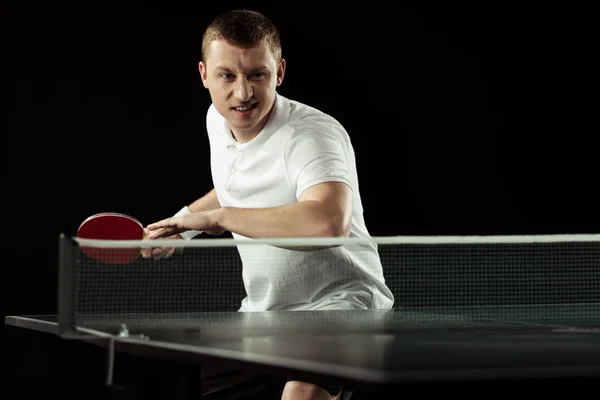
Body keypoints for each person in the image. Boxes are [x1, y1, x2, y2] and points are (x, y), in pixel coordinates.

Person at [142, 9, 394, 400]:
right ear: (204, 75)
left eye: (257, 74)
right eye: (227, 75)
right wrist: (184, 223)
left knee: (302, 392)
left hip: (341, 307)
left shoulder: (310, 135)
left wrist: (220, 217)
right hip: (265, 313)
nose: (243, 93)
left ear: (279, 72)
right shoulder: (216, 119)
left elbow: (327, 223)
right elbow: (237, 185)